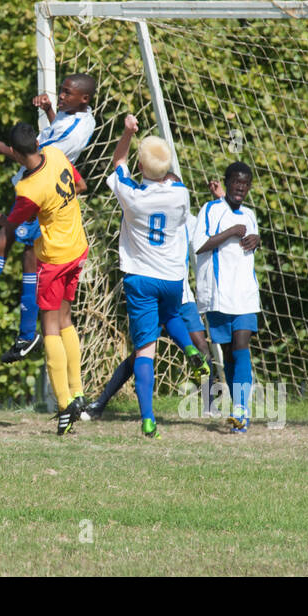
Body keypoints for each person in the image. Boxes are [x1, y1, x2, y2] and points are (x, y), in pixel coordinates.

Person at [0, 74, 97, 363]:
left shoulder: (38, 176)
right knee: (21, 251)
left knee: (11, 237)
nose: (61, 96)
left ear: (84, 98)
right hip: (54, 187)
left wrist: (1, 151)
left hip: (43, 193)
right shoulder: (82, 118)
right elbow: (52, 144)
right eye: (61, 91)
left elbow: (37, 154)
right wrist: (50, 110)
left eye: (67, 93)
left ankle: (12, 327)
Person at [0, 122, 89, 433]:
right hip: (78, 248)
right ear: (37, 141)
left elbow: (15, 227)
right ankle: (78, 392)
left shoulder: (28, 189)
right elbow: (82, 186)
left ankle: (64, 406)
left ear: (17, 154)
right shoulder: (56, 153)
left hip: (55, 257)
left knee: (48, 329)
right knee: (66, 321)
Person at [101, 116, 198, 437]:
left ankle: (147, 417)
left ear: (141, 167)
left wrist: (128, 132)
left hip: (140, 278)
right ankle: (192, 350)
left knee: (145, 349)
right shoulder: (181, 194)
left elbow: (118, 162)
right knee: (171, 314)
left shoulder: (132, 195)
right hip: (172, 278)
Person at [192, 161, 261, 432]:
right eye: (236, 183)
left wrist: (257, 241)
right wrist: (231, 232)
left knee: (242, 346)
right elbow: (199, 245)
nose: (240, 189)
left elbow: (252, 239)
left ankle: (241, 410)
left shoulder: (251, 214)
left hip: (244, 293)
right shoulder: (210, 209)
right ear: (227, 182)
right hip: (218, 295)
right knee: (229, 355)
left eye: (245, 185)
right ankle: (237, 407)